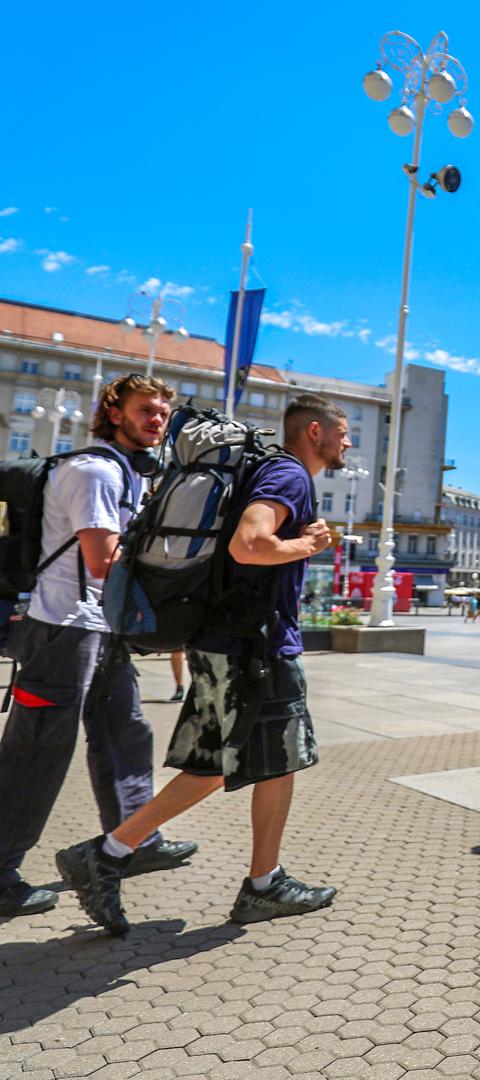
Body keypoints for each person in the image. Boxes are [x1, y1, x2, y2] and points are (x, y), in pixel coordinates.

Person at [57, 394, 348, 934]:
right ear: (314, 432)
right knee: (281, 760)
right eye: (343, 432)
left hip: (222, 640)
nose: (347, 442)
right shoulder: (289, 475)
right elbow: (249, 544)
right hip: (256, 646)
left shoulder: (264, 471)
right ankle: (262, 885)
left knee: (212, 766)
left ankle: (109, 853)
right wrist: (306, 545)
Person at [0, 375, 198, 920]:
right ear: (114, 413)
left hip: (100, 629)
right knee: (37, 752)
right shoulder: (93, 472)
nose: (156, 420)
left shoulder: (127, 473)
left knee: (126, 731)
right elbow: (102, 562)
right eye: (145, 410)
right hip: (62, 630)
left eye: (162, 412)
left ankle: (134, 839)